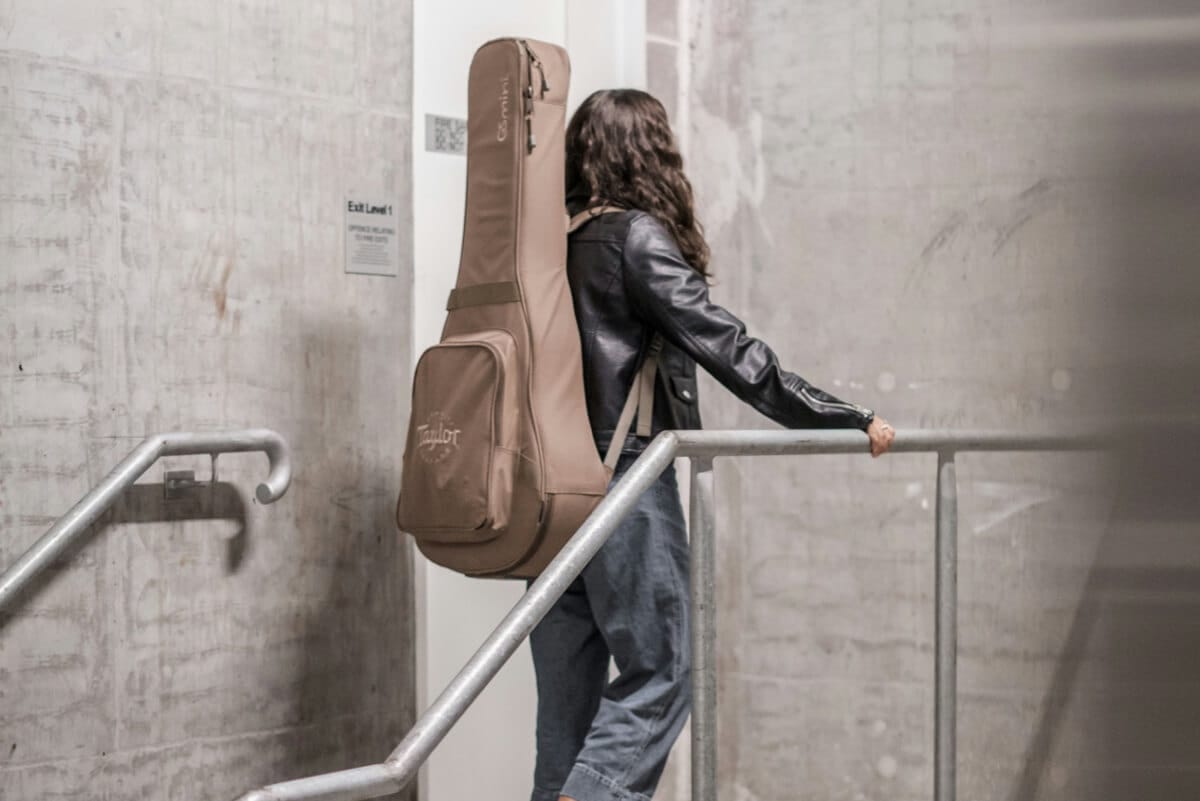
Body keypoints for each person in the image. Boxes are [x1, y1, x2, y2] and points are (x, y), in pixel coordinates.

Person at [527, 88, 896, 801]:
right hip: (622, 482)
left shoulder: (557, 242)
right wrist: (841, 413)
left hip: (551, 493)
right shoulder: (634, 239)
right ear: (650, 154)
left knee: (565, 720)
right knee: (666, 668)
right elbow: (730, 347)